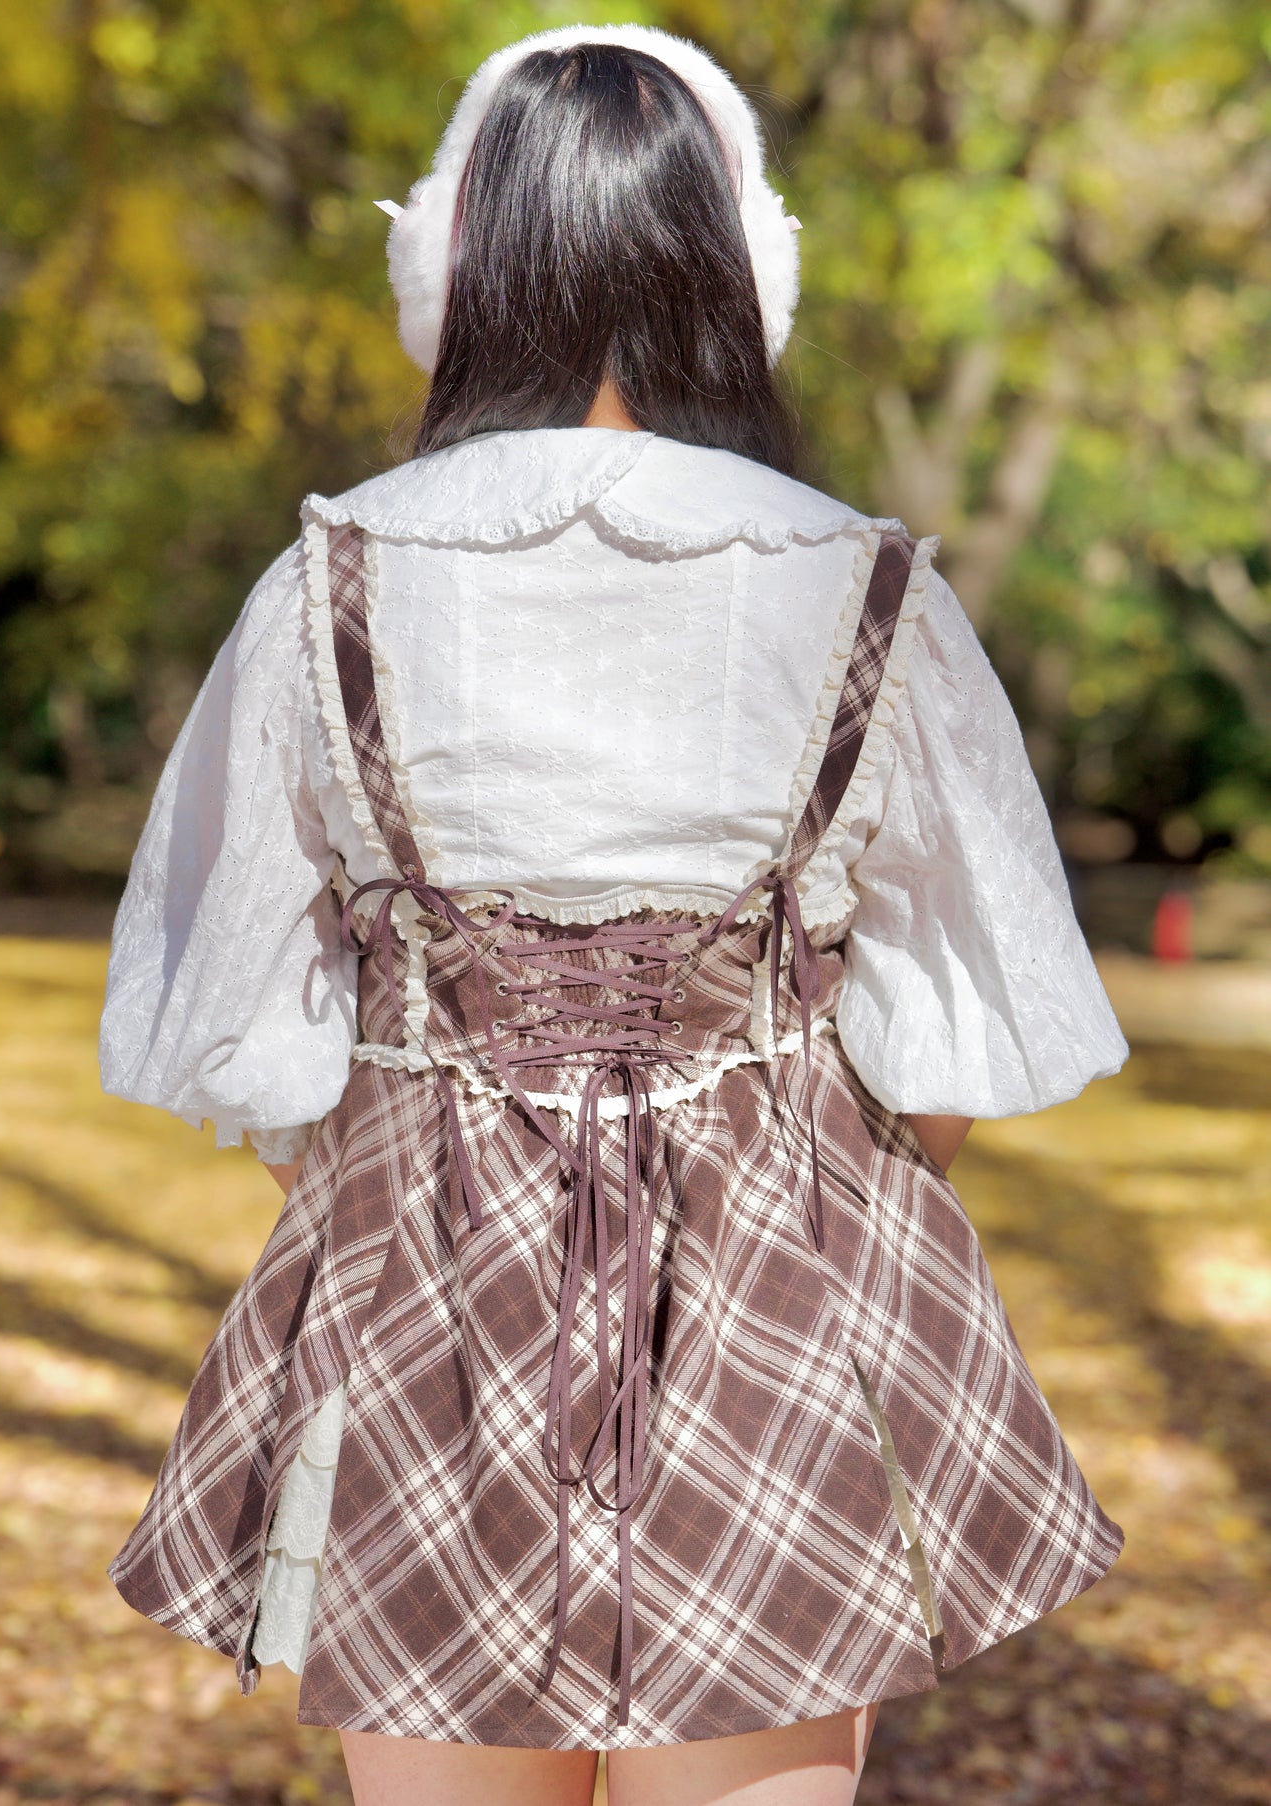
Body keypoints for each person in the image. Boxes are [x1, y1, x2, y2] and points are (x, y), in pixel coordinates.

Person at [99, 24, 1128, 1806]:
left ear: (458, 268)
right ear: (738, 273)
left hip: (420, 1286)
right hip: (786, 1280)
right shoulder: (860, 582)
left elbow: (257, 1040)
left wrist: (445, 1115)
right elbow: (957, 1040)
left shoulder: (328, 576)